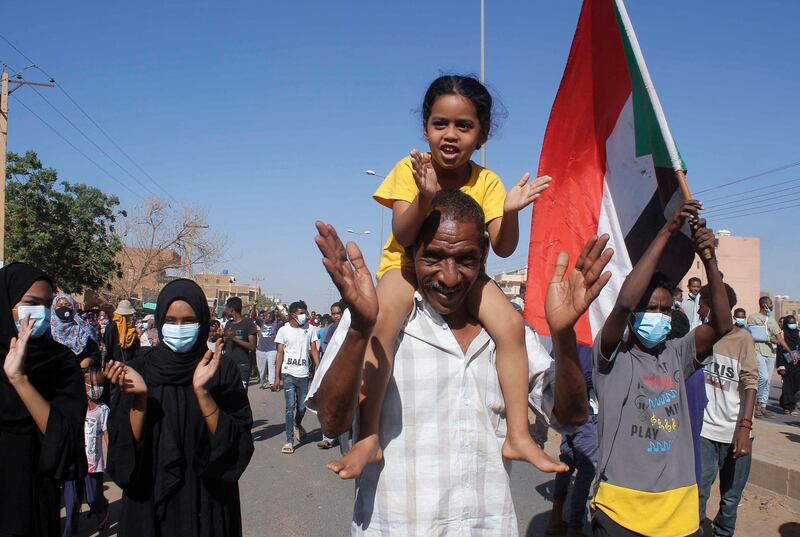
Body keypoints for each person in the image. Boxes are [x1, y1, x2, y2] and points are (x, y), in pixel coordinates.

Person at [308, 190, 612, 534]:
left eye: (465, 259)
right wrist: (360, 328)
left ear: (483, 253)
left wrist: (564, 335)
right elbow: (332, 424)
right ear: (411, 253)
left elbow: (569, 416)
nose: (449, 277)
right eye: (434, 257)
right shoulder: (374, 319)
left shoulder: (509, 332)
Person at [343, 74, 556, 477]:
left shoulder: (487, 181)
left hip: (465, 276)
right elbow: (404, 236)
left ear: (483, 134)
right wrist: (424, 198)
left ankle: (518, 435)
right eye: (440, 123)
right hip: (405, 267)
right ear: (425, 128)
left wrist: (510, 212)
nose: (451, 135)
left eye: (464, 126)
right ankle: (368, 435)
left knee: (511, 324)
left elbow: (503, 246)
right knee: (382, 322)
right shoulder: (410, 169)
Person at [592, 200, 732, 537]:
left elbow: (722, 325)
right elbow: (625, 301)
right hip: (620, 513)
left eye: (665, 310)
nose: (658, 315)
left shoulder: (676, 354)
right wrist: (668, 230)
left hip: (678, 516)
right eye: (650, 308)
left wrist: (708, 259)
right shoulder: (612, 355)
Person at [104, 279, 254, 537]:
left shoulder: (220, 369)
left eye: (188, 320)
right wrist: (139, 399)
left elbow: (237, 445)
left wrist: (203, 394)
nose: (179, 327)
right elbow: (123, 451)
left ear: (203, 321)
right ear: (160, 320)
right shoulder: (139, 368)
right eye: (171, 320)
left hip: (207, 504)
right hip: (148, 501)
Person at [0, 262, 86, 536]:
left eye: (46, 304)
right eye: (29, 303)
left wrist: (20, 380)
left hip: (34, 500)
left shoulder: (61, 363)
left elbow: (64, 441)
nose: (39, 313)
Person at [699, 294, 757, 537]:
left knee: (731, 497)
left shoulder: (742, 339)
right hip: (704, 432)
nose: (700, 308)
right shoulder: (701, 336)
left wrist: (744, 428)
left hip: (735, 434)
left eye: (702, 303)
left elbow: (750, 382)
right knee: (698, 491)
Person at [545, 344, 598, 537]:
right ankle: (575, 527)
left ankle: (556, 519)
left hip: (567, 413)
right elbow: (586, 378)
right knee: (586, 469)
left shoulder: (565, 339)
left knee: (566, 462)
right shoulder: (587, 344)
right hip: (585, 414)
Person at [62, 367, 111, 537]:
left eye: (100, 384)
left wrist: (111, 456)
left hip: (93, 463)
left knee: (92, 498)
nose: (97, 388)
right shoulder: (75, 406)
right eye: (93, 384)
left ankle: (102, 510)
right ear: (83, 386)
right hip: (73, 461)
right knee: (72, 503)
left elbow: (106, 433)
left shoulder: (103, 409)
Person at [273, 302, 319, 454]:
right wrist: (277, 376)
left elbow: (313, 349)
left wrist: (319, 369)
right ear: (293, 314)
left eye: (305, 312)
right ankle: (289, 441)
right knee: (289, 407)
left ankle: (297, 424)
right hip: (288, 374)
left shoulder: (310, 329)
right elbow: (280, 353)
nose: (304, 316)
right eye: (301, 313)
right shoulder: (283, 330)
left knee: (302, 406)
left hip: (304, 374)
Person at [747, 296, 791, 418]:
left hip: (770, 353)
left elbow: (779, 338)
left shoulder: (771, 320)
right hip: (757, 351)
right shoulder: (753, 317)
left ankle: (763, 406)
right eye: (770, 303)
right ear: (764, 304)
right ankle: (756, 403)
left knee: (768, 382)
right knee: (763, 378)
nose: (772, 305)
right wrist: (767, 338)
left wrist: (789, 351)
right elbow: (751, 334)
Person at [50, 293, 102, 366]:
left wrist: (90, 360)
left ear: (74, 308)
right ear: (53, 308)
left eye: (68, 305)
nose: (64, 308)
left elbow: (96, 354)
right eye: (60, 305)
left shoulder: (84, 330)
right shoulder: (48, 332)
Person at [222, 297, 257, 388]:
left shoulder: (248, 324)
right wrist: (220, 336)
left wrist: (234, 338)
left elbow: (252, 346)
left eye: (226, 307)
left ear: (231, 309)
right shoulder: (228, 324)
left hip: (242, 366)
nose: (225, 310)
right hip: (228, 366)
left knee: (241, 395)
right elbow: (226, 343)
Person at [777, 314, 800, 416]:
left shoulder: (797, 333)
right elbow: (779, 351)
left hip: (797, 362)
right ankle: (789, 406)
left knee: (796, 385)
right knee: (788, 385)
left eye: (794, 323)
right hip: (786, 363)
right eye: (790, 323)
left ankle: (784, 400)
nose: (792, 325)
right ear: (786, 324)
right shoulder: (782, 334)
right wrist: (781, 366)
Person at [256, 310, 281, 390]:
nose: (265, 317)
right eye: (265, 316)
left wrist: (280, 311)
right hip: (261, 349)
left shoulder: (276, 325)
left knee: (271, 366)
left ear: (272, 318)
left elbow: (285, 320)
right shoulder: (261, 323)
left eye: (268, 316)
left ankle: (271, 383)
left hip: (272, 349)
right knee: (261, 369)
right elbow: (253, 317)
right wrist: (254, 306)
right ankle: (262, 382)